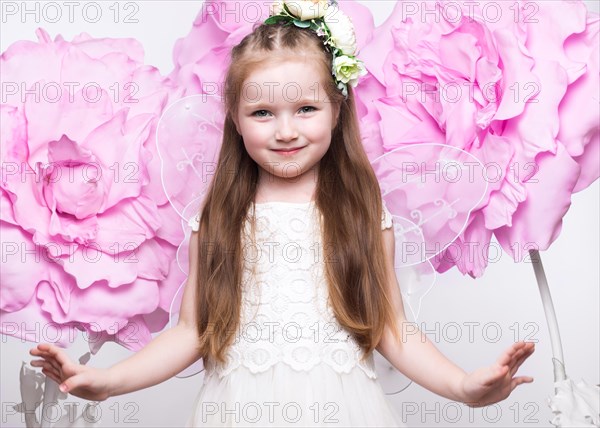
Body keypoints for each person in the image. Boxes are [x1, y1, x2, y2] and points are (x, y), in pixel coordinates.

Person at [29, 3, 535, 426]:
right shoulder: (221, 214)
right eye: (263, 113)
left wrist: (463, 386)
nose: (285, 131)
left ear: (338, 111)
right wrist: (108, 382)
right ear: (235, 118)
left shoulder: (361, 210)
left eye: (306, 109)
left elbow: (390, 326)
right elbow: (190, 331)